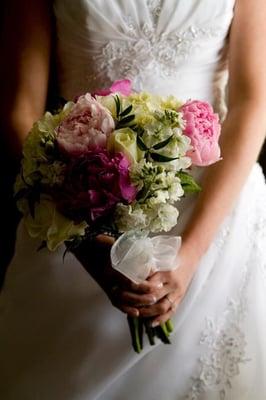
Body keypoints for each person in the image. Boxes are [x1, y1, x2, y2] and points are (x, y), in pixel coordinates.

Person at [0, 0, 266, 399]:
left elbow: (251, 104)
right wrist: (86, 243)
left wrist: (189, 255)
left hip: (213, 216)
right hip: (78, 203)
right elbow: (19, 111)